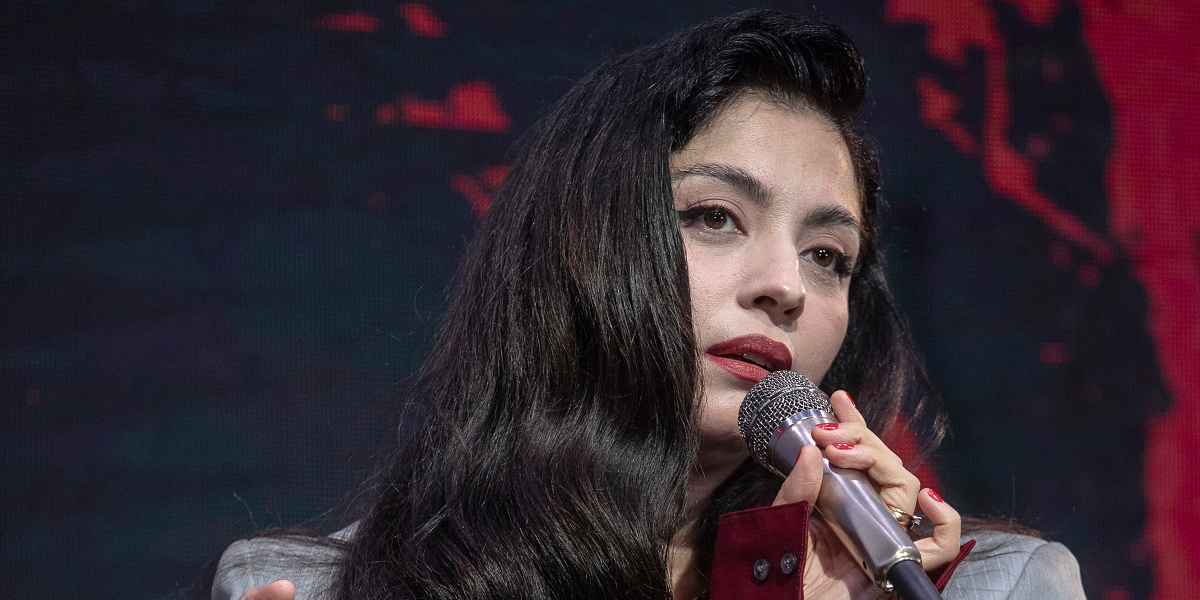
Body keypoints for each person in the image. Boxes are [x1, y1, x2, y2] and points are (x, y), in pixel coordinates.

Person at [210, 10, 1085, 600]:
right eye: (713, 217)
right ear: (578, 247)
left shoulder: (994, 587)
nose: (784, 285)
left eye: (830, 257)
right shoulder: (321, 587)